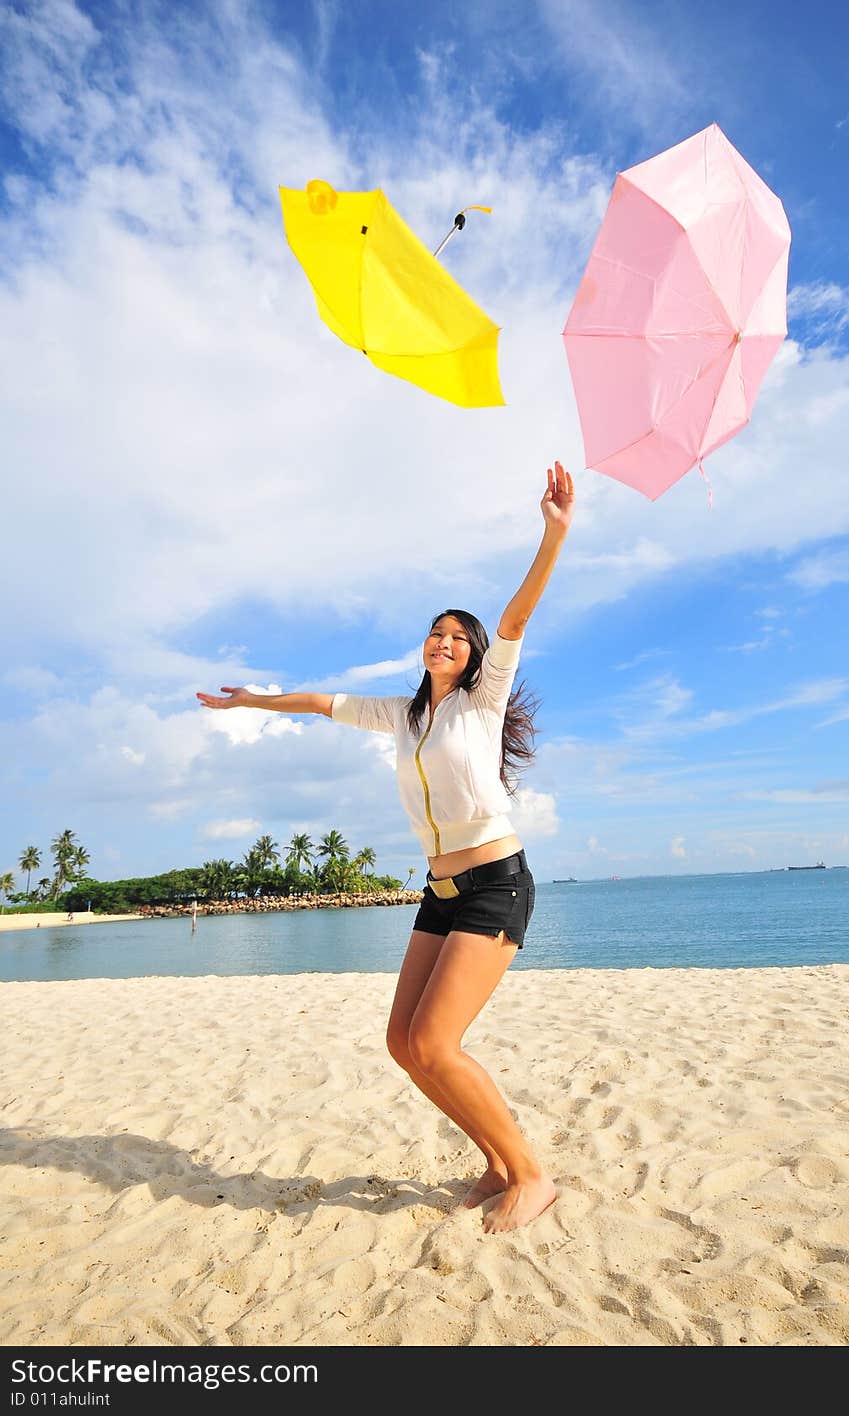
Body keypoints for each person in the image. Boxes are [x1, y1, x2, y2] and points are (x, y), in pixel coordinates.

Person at [197, 461, 575, 1231]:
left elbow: (516, 617)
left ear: (472, 658)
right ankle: (498, 1163)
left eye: (456, 638)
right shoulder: (400, 716)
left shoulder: (482, 702)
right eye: (435, 633)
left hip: (497, 882)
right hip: (440, 893)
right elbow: (319, 702)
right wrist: (253, 699)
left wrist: (554, 533)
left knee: (436, 1041)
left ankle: (533, 1173)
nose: (444, 641)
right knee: (405, 1044)